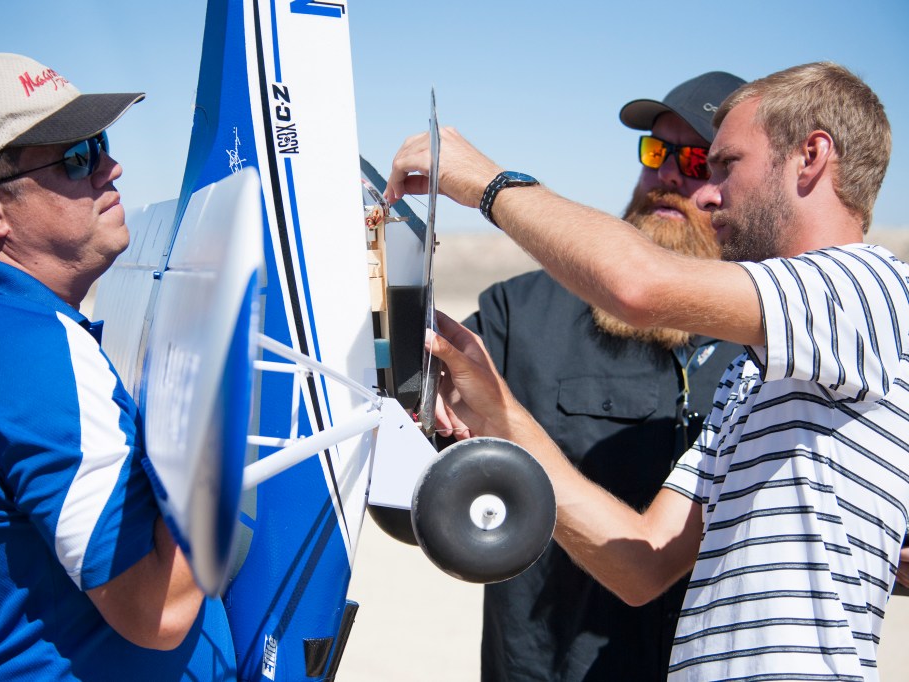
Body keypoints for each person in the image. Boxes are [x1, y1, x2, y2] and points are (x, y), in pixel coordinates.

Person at [387, 62, 907, 680]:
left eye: (724, 164)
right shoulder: (757, 375)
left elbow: (637, 284)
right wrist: (499, 413)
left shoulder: (867, 287)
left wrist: (489, 184)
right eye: (671, 156)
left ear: (811, 157)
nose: (709, 192)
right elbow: (643, 562)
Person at [0, 53, 235, 679]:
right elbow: (155, 611)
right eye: (78, 157)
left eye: (101, 144)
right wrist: (222, 438)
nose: (112, 167)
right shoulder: (28, 356)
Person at [468, 72, 744, 682]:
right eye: (656, 152)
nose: (667, 175)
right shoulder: (521, 314)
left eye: (696, 158)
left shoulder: (776, 350)